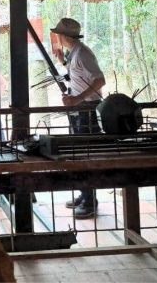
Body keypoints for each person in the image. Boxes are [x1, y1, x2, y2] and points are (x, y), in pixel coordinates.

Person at [51, 17, 106, 219]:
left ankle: (90, 200)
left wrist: (77, 99)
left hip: (87, 109)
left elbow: (100, 80)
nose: (57, 36)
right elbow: (77, 73)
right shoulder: (74, 53)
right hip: (79, 108)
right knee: (79, 153)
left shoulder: (82, 53)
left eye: (58, 33)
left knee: (86, 155)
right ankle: (85, 194)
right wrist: (62, 62)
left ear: (64, 36)